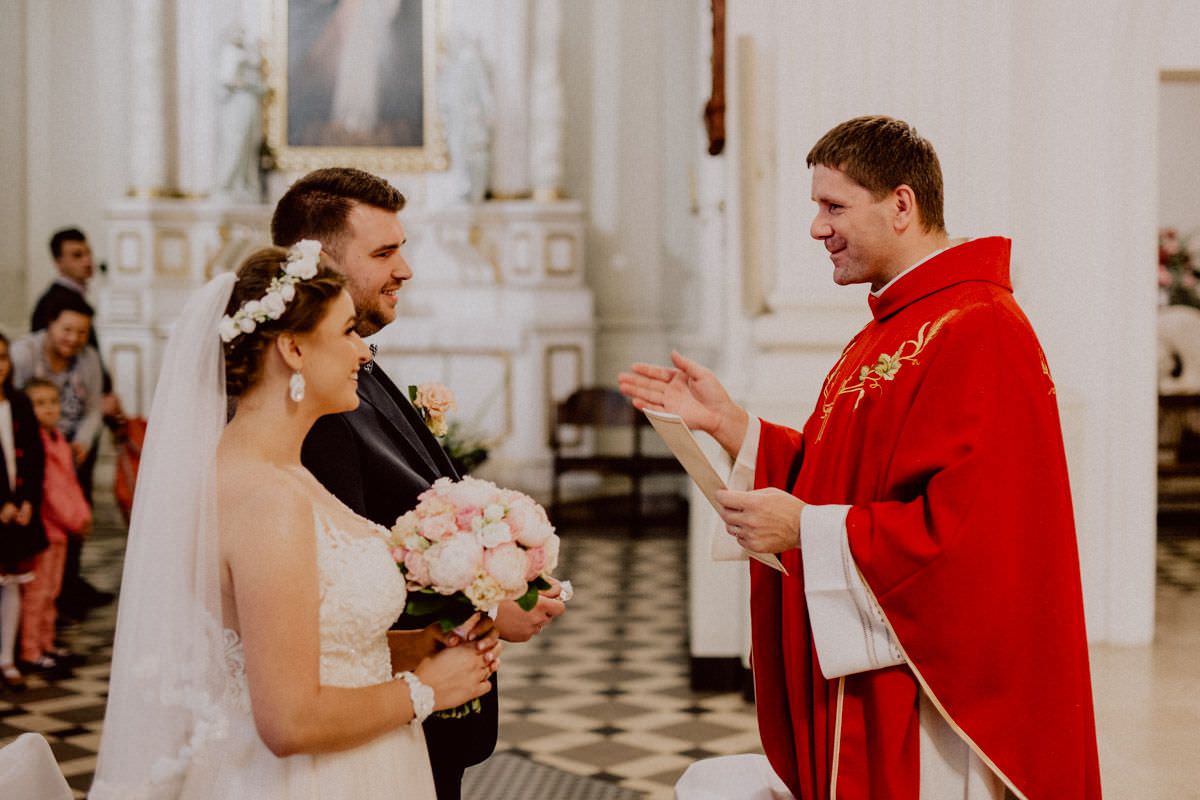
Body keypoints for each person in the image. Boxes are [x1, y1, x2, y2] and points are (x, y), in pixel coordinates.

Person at [620, 116, 1100, 799]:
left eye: (834, 206)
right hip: (884, 670)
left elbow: (972, 538)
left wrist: (806, 531)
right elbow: (843, 470)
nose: (817, 228)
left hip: (933, 702)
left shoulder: (980, 328)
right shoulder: (896, 326)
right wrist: (734, 427)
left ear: (901, 205)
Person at [92, 244, 500, 798]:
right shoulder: (267, 500)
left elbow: (292, 645)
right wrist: (424, 690)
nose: (363, 353)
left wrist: (415, 647)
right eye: (348, 332)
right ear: (293, 349)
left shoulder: (280, 472)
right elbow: (287, 721)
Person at [272, 167, 567, 800]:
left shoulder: (358, 366)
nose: (405, 269)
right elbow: (336, 583)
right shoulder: (312, 411)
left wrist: (497, 569)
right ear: (319, 263)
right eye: (384, 252)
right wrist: (487, 606)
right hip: (371, 720)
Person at [11, 292, 110, 619]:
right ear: (50, 325)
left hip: (70, 453)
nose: (74, 339)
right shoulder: (24, 354)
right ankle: (29, 604)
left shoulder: (89, 359)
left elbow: (94, 411)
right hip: (33, 452)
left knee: (72, 519)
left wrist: (80, 443)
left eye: (82, 332)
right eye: (67, 330)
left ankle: (63, 591)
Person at [20, 379, 91, 673]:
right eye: (39, 403)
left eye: (52, 401)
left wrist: (82, 513)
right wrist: (75, 519)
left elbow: (70, 484)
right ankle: (29, 650)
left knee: (52, 591)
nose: (49, 408)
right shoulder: (35, 443)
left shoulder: (58, 439)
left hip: (62, 531)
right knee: (36, 594)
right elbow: (49, 491)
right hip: (47, 529)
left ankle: (47, 643)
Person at [0, 332, 47, 690]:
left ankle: (7, 657)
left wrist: (28, 499)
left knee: (13, 585)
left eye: (2, 357)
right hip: (1, 509)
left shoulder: (19, 403)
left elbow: (34, 454)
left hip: (20, 509)